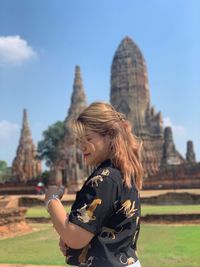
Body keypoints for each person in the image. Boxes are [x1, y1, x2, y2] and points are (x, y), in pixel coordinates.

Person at [45, 102, 143, 267]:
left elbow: (74, 237)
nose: (81, 146)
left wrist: (51, 200)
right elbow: (93, 228)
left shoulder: (105, 179)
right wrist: (72, 241)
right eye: (79, 140)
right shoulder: (120, 174)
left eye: (88, 139)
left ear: (110, 135)